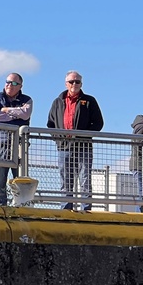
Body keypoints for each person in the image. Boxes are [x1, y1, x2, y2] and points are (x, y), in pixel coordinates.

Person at [47, 70, 104, 211]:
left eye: (77, 81)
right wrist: (59, 140)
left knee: (85, 178)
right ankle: (66, 209)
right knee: (66, 179)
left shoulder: (90, 101)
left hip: (83, 146)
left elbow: (98, 123)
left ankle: (86, 209)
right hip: (64, 148)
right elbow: (50, 124)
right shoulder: (57, 102)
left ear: (81, 83)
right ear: (66, 84)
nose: (74, 84)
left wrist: (82, 136)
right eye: (72, 81)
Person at [0, 72, 33, 206]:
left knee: (20, 178)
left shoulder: (27, 99)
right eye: (7, 82)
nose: (9, 85)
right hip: (0, 143)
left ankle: (21, 205)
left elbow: (25, 115)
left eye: (13, 83)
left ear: (20, 86)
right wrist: (15, 114)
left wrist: (6, 110)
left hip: (19, 144)